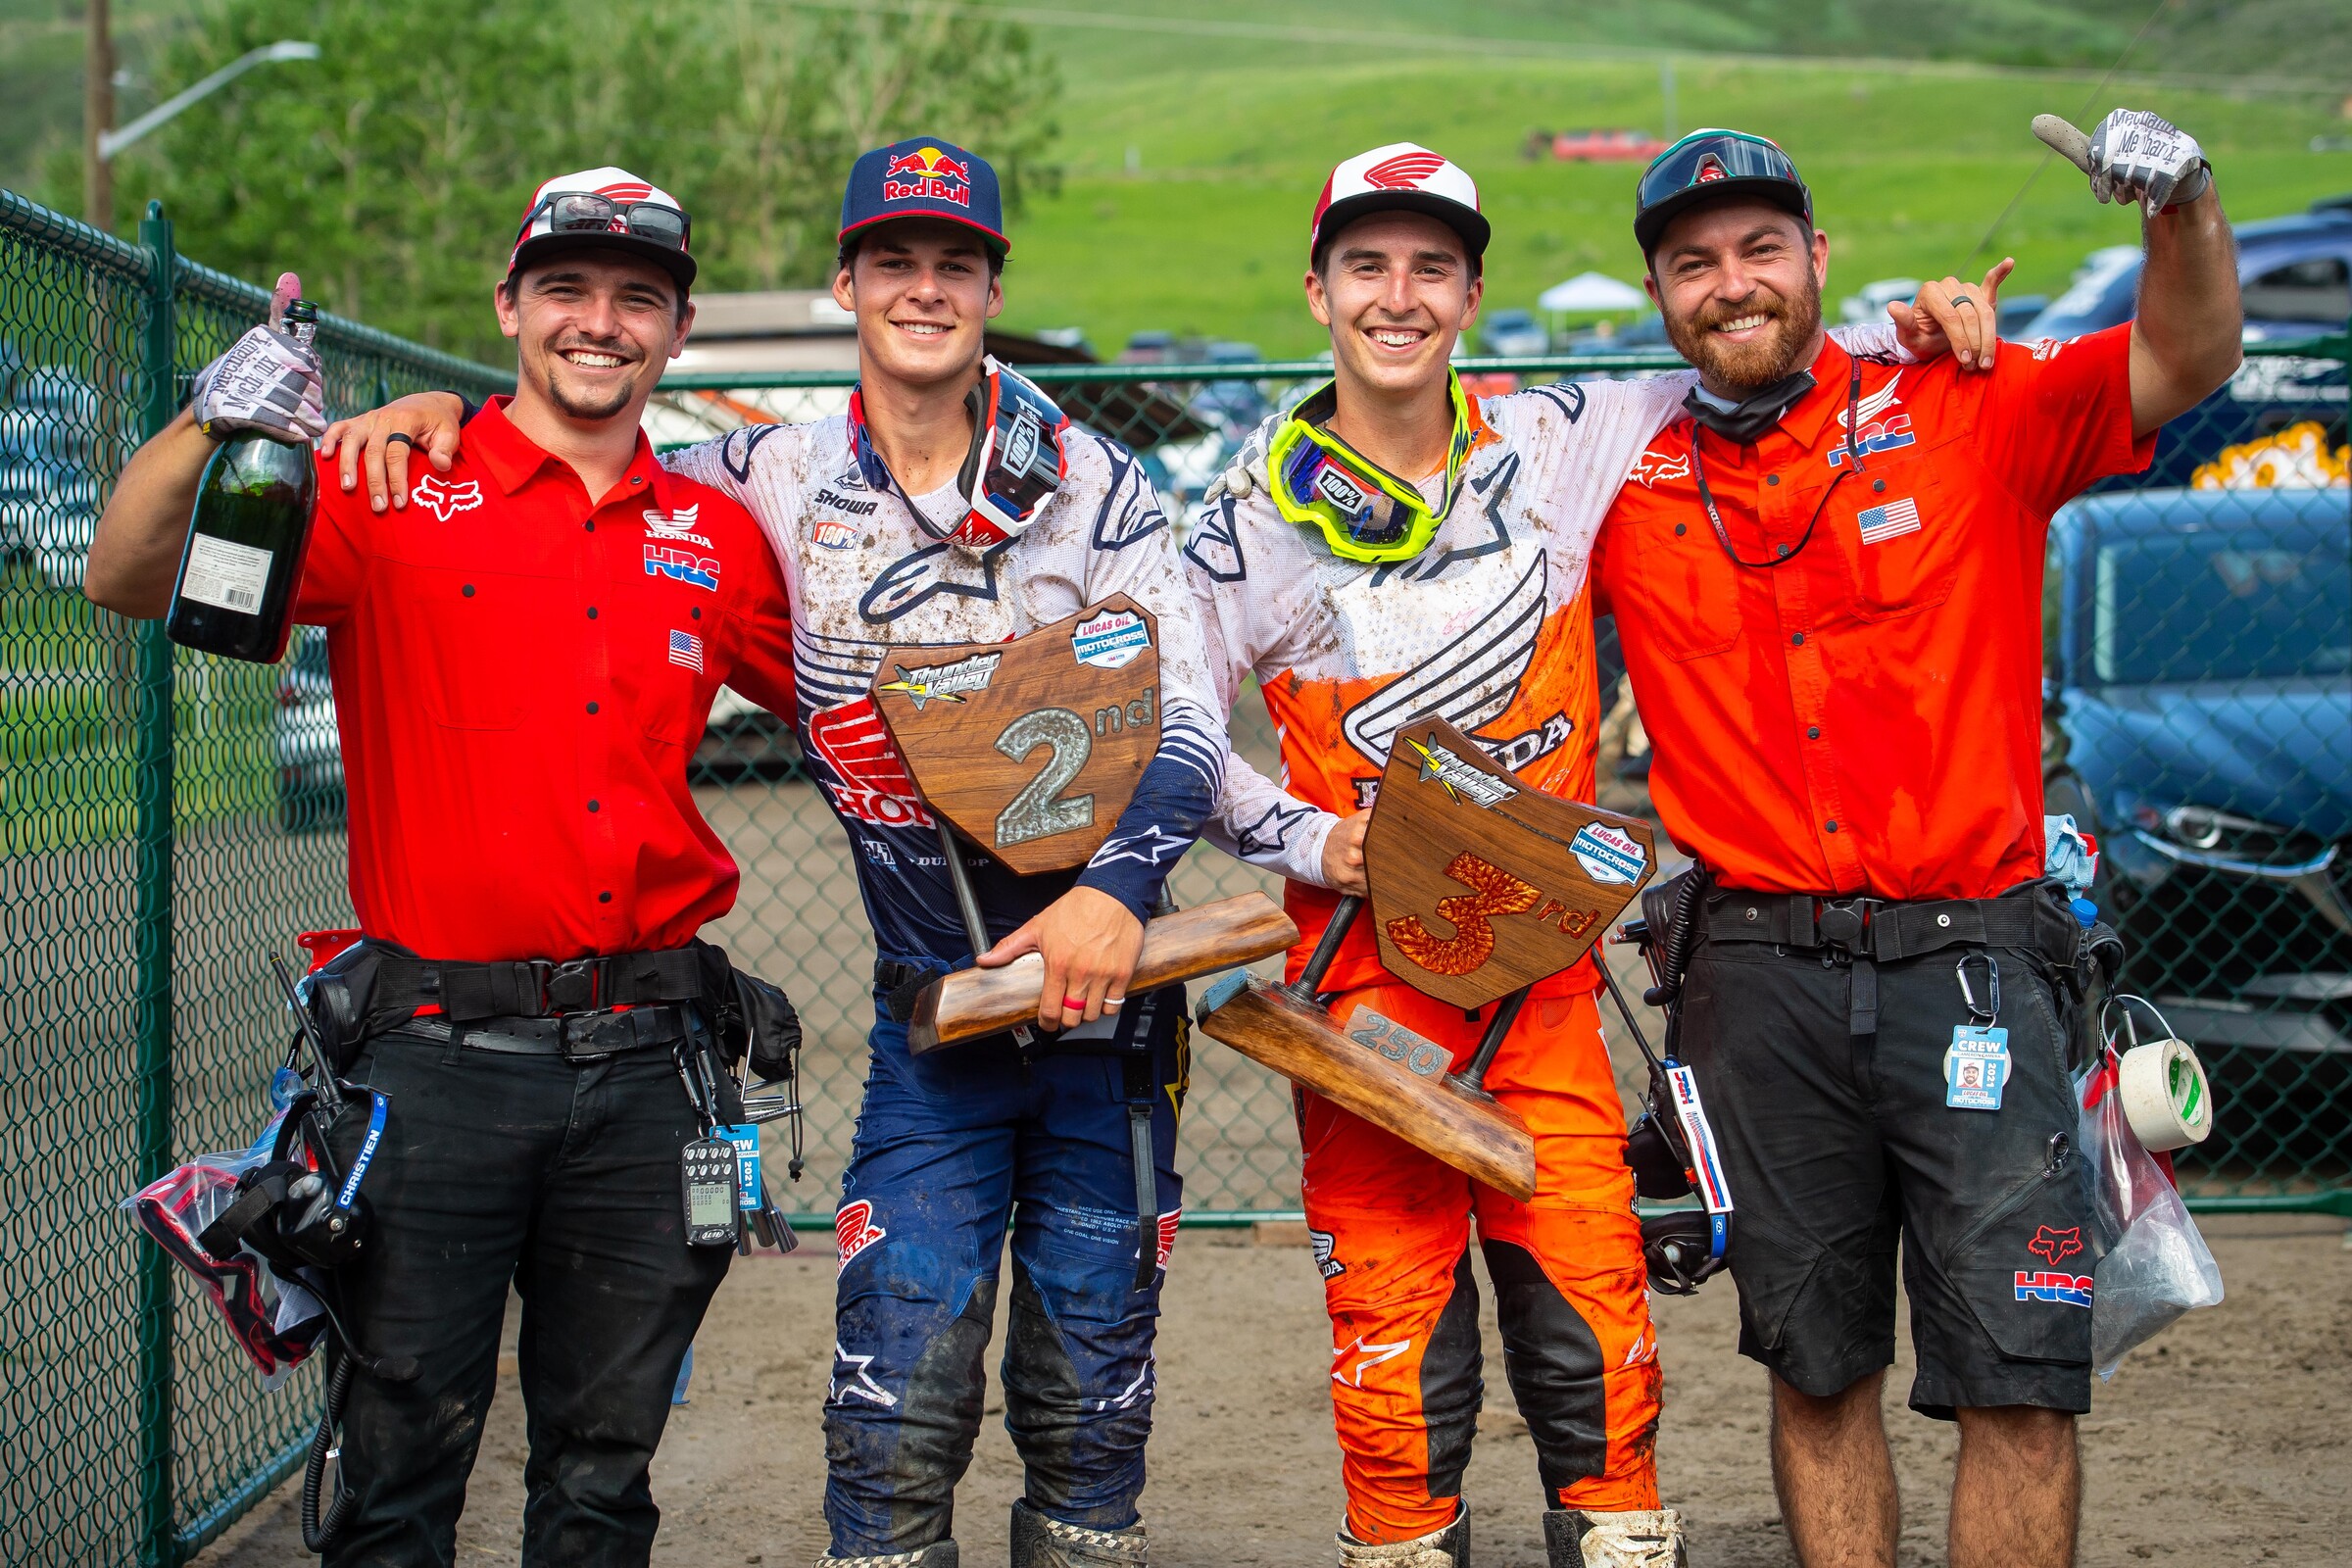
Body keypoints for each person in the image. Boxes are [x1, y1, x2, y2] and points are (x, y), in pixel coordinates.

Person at [321, 137, 1227, 1568]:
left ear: (993, 285)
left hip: (1111, 995)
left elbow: (1192, 707)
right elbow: (571, 450)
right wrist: (431, 413)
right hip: (935, 1001)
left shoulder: (1096, 484)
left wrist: (1117, 898)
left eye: (955, 263)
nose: (923, 289)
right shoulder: (753, 481)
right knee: (895, 1375)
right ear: (845, 283)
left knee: (1091, 1377)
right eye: (893, 261)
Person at [1186, 142, 1998, 1568]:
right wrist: (1314, 836)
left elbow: (1749, 343)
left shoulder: (1565, 434)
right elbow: (1174, 735)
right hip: (1362, 992)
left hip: (1543, 988)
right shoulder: (1247, 513)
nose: (1399, 296)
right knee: (1394, 1348)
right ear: (1317, 288)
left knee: (1597, 1344)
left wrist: (1912, 325)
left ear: (1474, 290)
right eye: (1367, 265)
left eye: (1431, 266)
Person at [84, 169, 799, 1567]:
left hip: (656, 1064)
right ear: (509, 307)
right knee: (401, 1467)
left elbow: (855, 721)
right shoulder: (391, 487)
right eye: (567, 291)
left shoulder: (714, 537)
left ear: (678, 327)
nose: (600, 323)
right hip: (436, 1061)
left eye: (637, 299)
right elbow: (122, 574)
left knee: (606, 1466)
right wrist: (217, 418)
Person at [1591, 118, 2241, 1568]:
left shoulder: (1968, 401)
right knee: (1816, 1372)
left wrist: (2182, 207)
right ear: (1660, 299)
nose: (1731, 282)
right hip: (1750, 975)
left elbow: (2187, 360)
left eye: (1761, 247)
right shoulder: (1616, 474)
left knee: (2019, 1377)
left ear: (1818, 259)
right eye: (1692, 262)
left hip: (1979, 964)